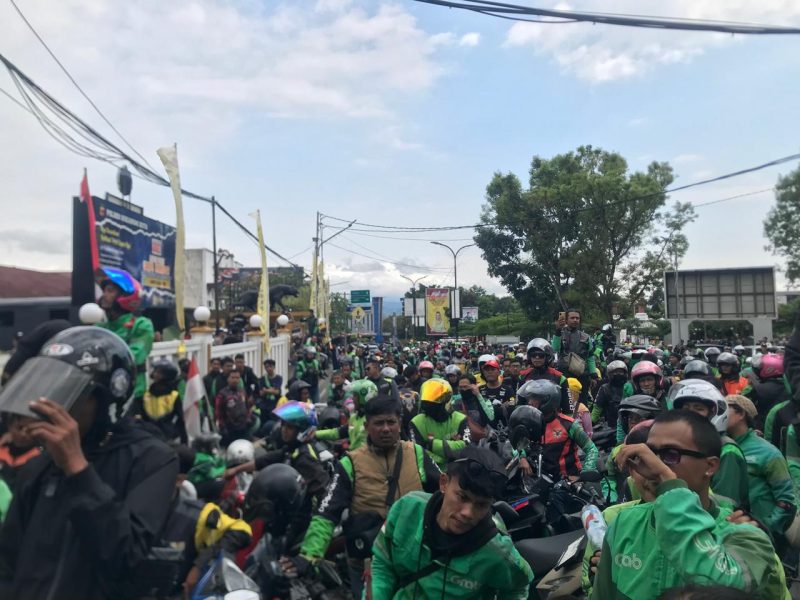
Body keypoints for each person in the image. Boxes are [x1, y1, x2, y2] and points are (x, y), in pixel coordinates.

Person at [0, 326, 178, 599]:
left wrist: (78, 469)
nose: (56, 403)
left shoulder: (153, 460)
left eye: (68, 391)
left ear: (107, 396)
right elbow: (8, 559)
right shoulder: (41, 463)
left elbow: (125, 557)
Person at [592, 410, 784, 600]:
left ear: (710, 466)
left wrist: (668, 481)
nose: (653, 465)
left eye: (671, 454)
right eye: (650, 453)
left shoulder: (744, 535)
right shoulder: (624, 523)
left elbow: (724, 588)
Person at [285, 395, 441, 599]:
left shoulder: (417, 454)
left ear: (399, 423)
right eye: (378, 423)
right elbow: (327, 513)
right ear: (367, 426)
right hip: (369, 564)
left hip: (416, 560)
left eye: (391, 422)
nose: (385, 428)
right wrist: (308, 555)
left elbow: (445, 495)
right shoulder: (350, 463)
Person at [368, 445, 534, 599]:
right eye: (462, 497)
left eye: (482, 505)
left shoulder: (498, 551)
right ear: (444, 483)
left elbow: (519, 586)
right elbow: (383, 562)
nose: (468, 513)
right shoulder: (406, 510)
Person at [725, 394, 797, 540]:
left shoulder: (767, 453)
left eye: (724, 409)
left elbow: (786, 499)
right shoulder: (721, 448)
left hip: (763, 535)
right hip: (731, 531)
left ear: (741, 414)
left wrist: (766, 527)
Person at [671, 380, 750, 510]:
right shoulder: (684, 445)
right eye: (686, 408)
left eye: (699, 408)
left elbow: (725, 505)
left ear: (714, 413)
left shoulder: (726, 450)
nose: (691, 414)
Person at [515, 379, 598, 481]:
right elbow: (519, 444)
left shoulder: (569, 424)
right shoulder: (529, 423)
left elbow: (591, 448)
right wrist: (522, 457)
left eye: (535, 398)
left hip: (567, 483)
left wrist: (586, 472)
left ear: (547, 400)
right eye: (529, 398)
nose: (530, 402)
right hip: (539, 481)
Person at [95, 266, 154, 400]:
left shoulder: (141, 325)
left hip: (130, 393)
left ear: (125, 296)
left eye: (110, 291)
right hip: (102, 391)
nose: (104, 295)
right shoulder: (100, 326)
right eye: (104, 290)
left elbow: (133, 356)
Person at [411, 379, 470, 468]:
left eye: (436, 397)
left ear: (448, 399)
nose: (431, 402)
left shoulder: (461, 419)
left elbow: (466, 447)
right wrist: (450, 450)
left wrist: (431, 445)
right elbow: (417, 453)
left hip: (457, 472)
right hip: (429, 473)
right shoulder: (416, 422)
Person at [129, 358, 187, 444]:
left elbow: (181, 420)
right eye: (155, 371)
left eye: (159, 372)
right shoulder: (146, 395)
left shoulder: (173, 396)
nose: (155, 374)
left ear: (167, 375)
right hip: (149, 436)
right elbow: (137, 414)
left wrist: (182, 439)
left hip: (167, 437)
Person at [315, 379, 378, 451]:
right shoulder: (355, 417)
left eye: (355, 396)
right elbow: (338, 432)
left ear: (363, 398)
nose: (352, 399)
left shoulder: (373, 421)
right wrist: (315, 434)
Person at [552, 308, 597, 402]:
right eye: (572, 318)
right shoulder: (559, 334)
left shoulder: (586, 337)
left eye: (577, 318)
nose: (575, 320)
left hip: (582, 376)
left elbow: (590, 357)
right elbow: (555, 349)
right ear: (566, 320)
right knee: (565, 402)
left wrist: (593, 375)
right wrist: (557, 331)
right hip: (564, 375)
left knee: (582, 403)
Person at [215, 369, 254, 446]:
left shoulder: (242, 391)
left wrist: (248, 418)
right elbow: (218, 412)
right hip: (229, 429)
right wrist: (222, 426)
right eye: (233, 378)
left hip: (243, 427)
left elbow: (247, 407)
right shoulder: (222, 394)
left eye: (237, 378)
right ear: (228, 379)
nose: (235, 380)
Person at [451, 373, 495, 441]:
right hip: (461, 441)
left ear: (474, 386)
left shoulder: (485, 401)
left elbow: (490, 418)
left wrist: (478, 395)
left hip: (482, 440)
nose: (463, 389)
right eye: (460, 387)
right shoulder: (455, 402)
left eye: (465, 387)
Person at [592, 360, 628, 430]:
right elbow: (597, 408)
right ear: (610, 374)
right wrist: (590, 423)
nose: (618, 374)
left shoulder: (629, 387)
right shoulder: (604, 388)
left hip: (629, 425)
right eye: (615, 372)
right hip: (611, 427)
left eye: (620, 372)